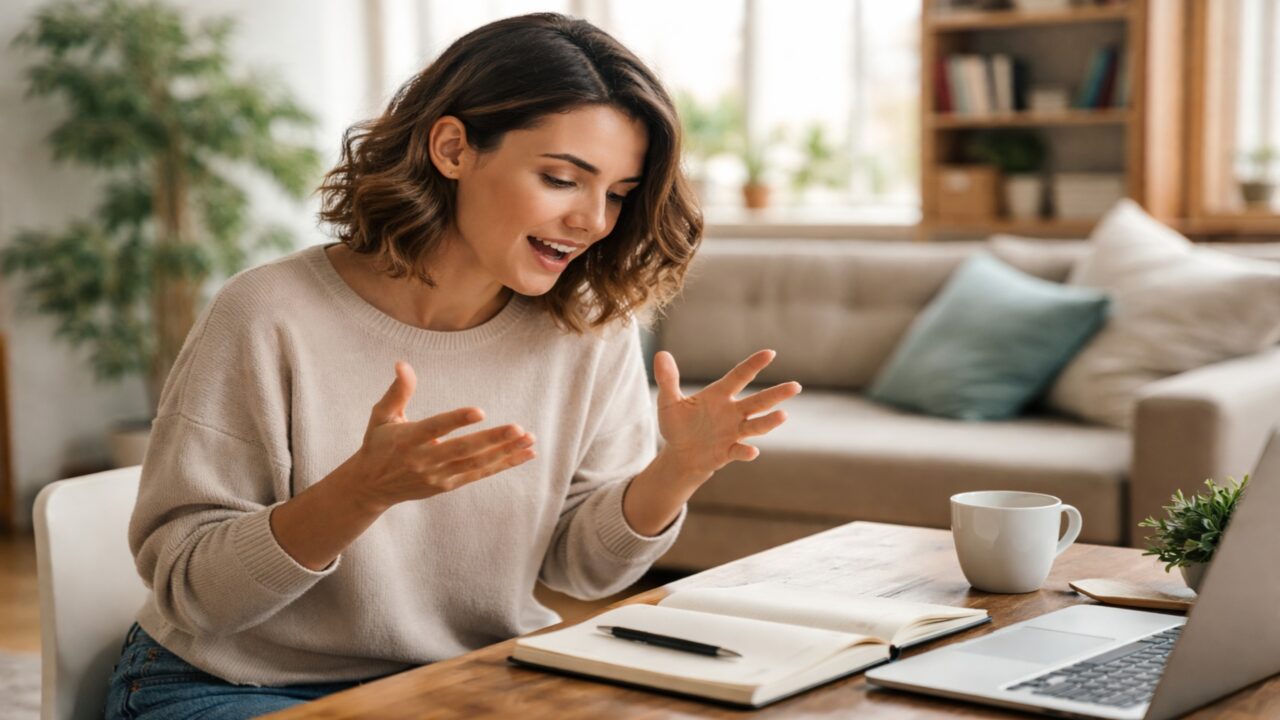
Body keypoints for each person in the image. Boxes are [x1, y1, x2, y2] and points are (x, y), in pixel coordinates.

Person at [104, 13, 801, 720]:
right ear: (452, 148)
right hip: (237, 685)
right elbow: (193, 591)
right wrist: (358, 493)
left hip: (469, 685)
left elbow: (583, 572)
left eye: (618, 193)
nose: (594, 220)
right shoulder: (268, 314)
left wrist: (673, 473)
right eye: (563, 178)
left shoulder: (587, 329)